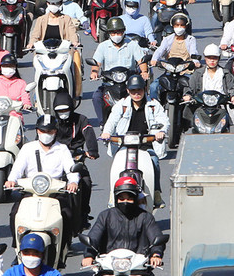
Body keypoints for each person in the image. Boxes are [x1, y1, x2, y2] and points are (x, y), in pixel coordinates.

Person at [80, 175, 165, 276]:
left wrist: (156, 254)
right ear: (116, 197)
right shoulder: (105, 216)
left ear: (136, 198)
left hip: (138, 269)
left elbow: (156, 237)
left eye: (129, 198)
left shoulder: (146, 218)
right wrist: (88, 255)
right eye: (121, 198)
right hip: (108, 269)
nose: (125, 202)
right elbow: (94, 237)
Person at [5, 113, 80, 241]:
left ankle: (63, 248)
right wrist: (11, 180)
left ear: (55, 132)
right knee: (14, 215)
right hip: (30, 192)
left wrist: (73, 182)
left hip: (55, 192)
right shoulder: (28, 148)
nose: (46, 134)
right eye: (42, 131)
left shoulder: (62, 149)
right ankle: (18, 247)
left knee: (66, 215)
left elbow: (71, 169)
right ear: (37, 131)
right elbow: (17, 168)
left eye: (49, 131)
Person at [99, 75, 169, 203]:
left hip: (146, 144)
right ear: (128, 91)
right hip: (124, 144)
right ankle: (112, 193)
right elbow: (111, 121)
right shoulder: (122, 105)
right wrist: (106, 133)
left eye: (139, 90)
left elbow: (164, 121)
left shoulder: (153, 104)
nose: (137, 94)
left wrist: (161, 132)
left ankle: (156, 193)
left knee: (154, 162)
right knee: (116, 166)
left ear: (145, 89)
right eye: (133, 91)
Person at [88, 17, 149, 123]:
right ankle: (103, 123)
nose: (116, 35)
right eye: (113, 32)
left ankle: (146, 120)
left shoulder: (132, 44)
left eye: (119, 32)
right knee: (96, 97)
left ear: (124, 31)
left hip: (128, 83)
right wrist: (94, 72)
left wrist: (144, 72)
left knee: (145, 97)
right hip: (109, 83)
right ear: (109, 33)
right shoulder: (103, 46)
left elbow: (141, 61)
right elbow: (96, 63)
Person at [51, 91, 99, 223]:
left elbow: (89, 133)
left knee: (86, 181)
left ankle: (83, 212)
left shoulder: (81, 119)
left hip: (76, 158)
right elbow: (40, 140)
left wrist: (92, 150)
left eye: (66, 109)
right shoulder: (51, 122)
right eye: (60, 110)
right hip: (54, 160)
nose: (63, 113)